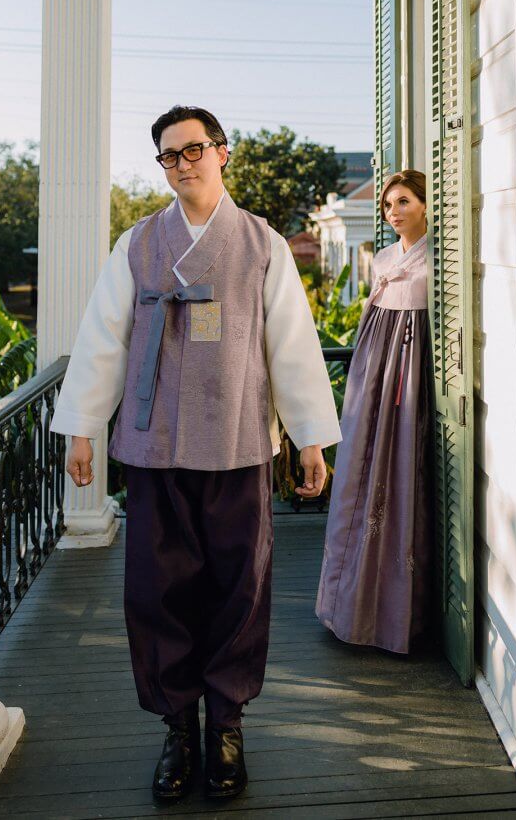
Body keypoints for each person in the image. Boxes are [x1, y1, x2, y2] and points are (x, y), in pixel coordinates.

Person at [50, 105, 341, 803]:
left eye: (193, 150)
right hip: (154, 449)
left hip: (239, 445)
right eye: (169, 156)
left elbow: (293, 348)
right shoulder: (138, 242)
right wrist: (84, 427)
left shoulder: (262, 243)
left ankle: (227, 726)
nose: (183, 164)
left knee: (239, 591)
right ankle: (178, 727)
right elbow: (102, 339)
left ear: (222, 153)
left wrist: (309, 439)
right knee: (157, 592)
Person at [315, 169, 434, 654]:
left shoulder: (437, 258)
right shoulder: (385, 257)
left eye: (403, 201)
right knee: (357, 479)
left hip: (410, 375)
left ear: (426, 205)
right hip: (373, 375)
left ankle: (397, 614)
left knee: (401, 477)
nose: (393, 212)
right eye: (388, 205)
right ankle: (347, 601)